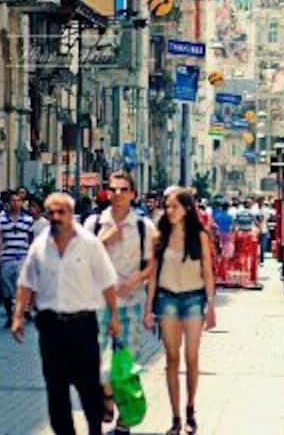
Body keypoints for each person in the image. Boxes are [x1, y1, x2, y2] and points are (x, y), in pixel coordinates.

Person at [12, 192, 122, 435]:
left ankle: (95, 429)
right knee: (56, 388)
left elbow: (107, 282)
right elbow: (26, 283)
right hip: (50, 326)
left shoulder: (89, 244)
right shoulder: (40, 245)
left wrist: (114, 316)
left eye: (61, 212)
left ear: (71, 214)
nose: (56, 217)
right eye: (51, 212)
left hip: (82, 324)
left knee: (88, 386)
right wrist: (18, 316)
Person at [84, 171, 157, 435]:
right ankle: (106, 398)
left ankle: (124, 422)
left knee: (126, 367)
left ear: (133, 194)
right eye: (113, 189)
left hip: (131, 303)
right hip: (99, 304)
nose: (118, 194)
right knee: (99, 366)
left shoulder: (144, 226)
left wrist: (136, 284)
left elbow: (152, 265)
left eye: (123, 189)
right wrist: (104, 241)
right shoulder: (94, 223)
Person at [143, 188, 216, 435]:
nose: (169, 211)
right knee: (172, 358)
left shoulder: (199, 235)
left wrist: (211, 306)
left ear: (187, 209)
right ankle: (175, 417)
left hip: (194, 298)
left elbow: (208, 272)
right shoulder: (160, 236)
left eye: (174, 206)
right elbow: (153, 275)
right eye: (167, 206)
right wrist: (148, 309)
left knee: (191, 356)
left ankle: (190, 409)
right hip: (167, 299)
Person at [0, 191, 34, 328]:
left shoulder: (28, 219)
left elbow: (30, 239)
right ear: (8, 203)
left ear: (22, 203)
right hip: (7, 257)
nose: (15, 203)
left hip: (22, 257)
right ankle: (9, 315)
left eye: (18, 201)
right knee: (7, 289)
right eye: (13, 200)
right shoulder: (0, 219)